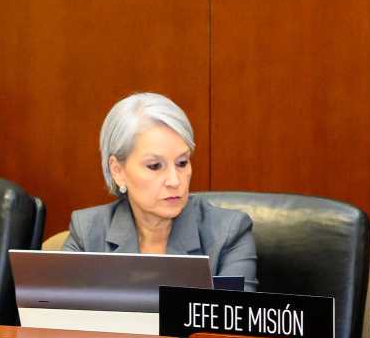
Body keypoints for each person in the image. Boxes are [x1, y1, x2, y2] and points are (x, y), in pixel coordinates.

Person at [65, 92, 258, 291]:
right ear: (118, 171)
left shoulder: (228, 233)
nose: (175, 181)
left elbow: (231, 319)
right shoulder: (88, 233)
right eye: (155, 166)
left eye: (182, 163)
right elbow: (57, 313)